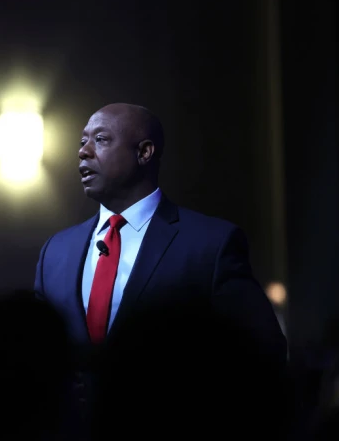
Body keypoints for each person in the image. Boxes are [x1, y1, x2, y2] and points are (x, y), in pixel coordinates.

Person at [33, 103, 288, 438]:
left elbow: (263, 353)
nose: (83, 151)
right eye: (82, 142)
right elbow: (35, 356)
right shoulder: (56, 252)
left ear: (145, 152)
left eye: (101, 139)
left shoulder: (211, 244)